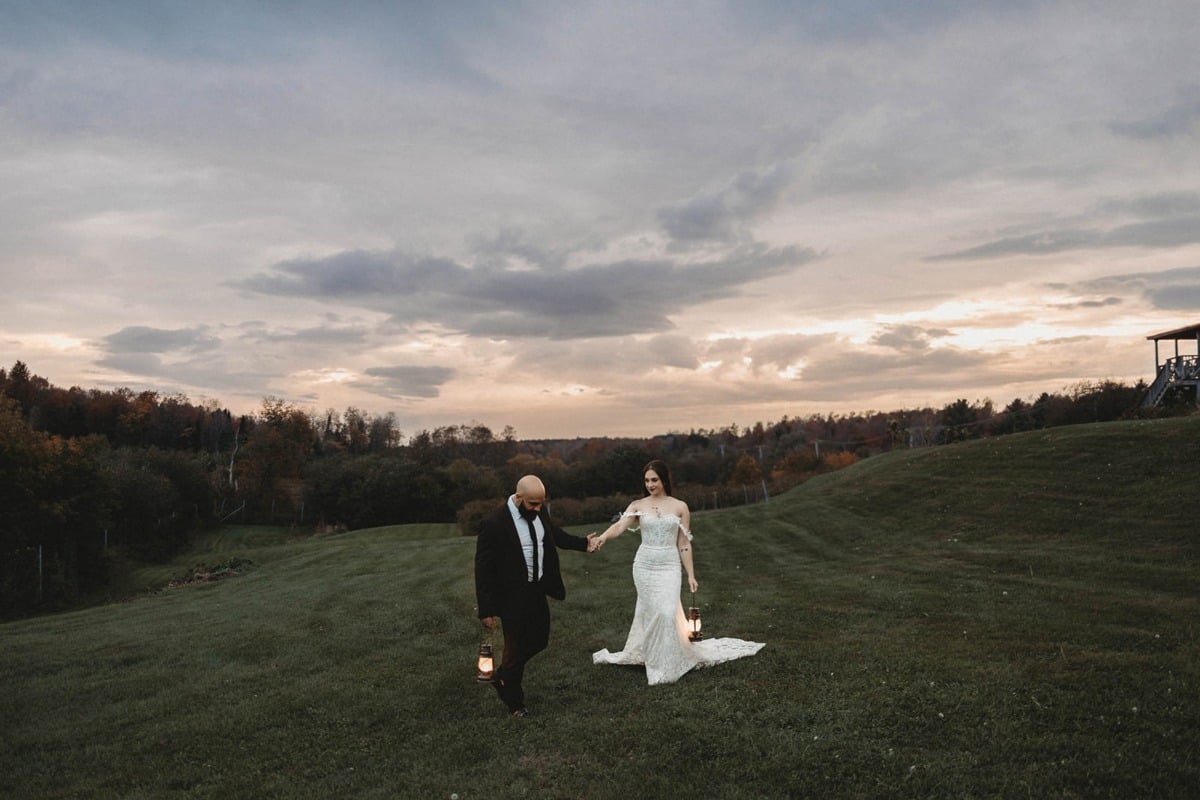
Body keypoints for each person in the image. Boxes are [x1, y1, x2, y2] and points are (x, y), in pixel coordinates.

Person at [591, 459, 764, 685]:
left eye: (654, 480)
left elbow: (683, 543)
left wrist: (691, 574)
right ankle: (654, 658)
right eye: (647, 480)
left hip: (669, 565)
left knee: (666, 611)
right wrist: (603, 537)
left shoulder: (680, 507)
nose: (650, 484)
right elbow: (619, 527)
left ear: (664, 480)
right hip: (644, 566)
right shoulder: (638, 505)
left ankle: (666, 660)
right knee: (651, 613)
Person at [474, 475, 598, 717]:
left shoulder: (538, 512)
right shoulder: (495, 523)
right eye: (532, 504)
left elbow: (555, 535)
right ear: (519, 498)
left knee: (540, 640)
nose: (538, 509)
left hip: (537, 590)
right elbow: (483, 568)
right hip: (511, 596)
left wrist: (583, 543)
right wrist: (486, 608)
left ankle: (502, 675)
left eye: (541, 503)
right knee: (515, 645)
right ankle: (515, 703)